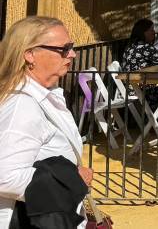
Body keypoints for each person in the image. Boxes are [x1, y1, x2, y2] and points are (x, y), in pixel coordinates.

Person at [0, 16, 91, 228]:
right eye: (63, 48)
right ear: (30, 55)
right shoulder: (22, 105)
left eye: (72, 47)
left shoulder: (45, 95)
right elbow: (4, 175)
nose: (72, 54)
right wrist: (70, 179)